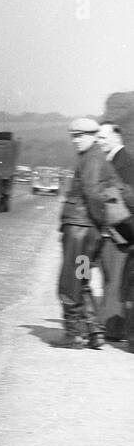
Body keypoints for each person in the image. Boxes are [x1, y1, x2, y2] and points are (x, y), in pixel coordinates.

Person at [57, 117, 122, 348]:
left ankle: (74, 332)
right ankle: (95, 331)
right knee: (82, 278)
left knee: (70, 281)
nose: (76, 140)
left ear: (93, 135)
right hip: (88, 233)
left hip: (79, 231)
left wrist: (97, 222)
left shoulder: (92, 159)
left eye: (81, 135)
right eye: (73, 136)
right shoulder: (95, 157)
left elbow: (93, 194)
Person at [96, 121, 134, 341]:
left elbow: (125, 200)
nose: (100, 142)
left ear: (116, 138)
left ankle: (112, 328)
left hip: (120, 232)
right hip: (116, 230)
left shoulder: (125, 163)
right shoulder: (117, 161)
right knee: (111, 278)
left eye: (103, 138)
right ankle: (109, 324)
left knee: (116, 280)